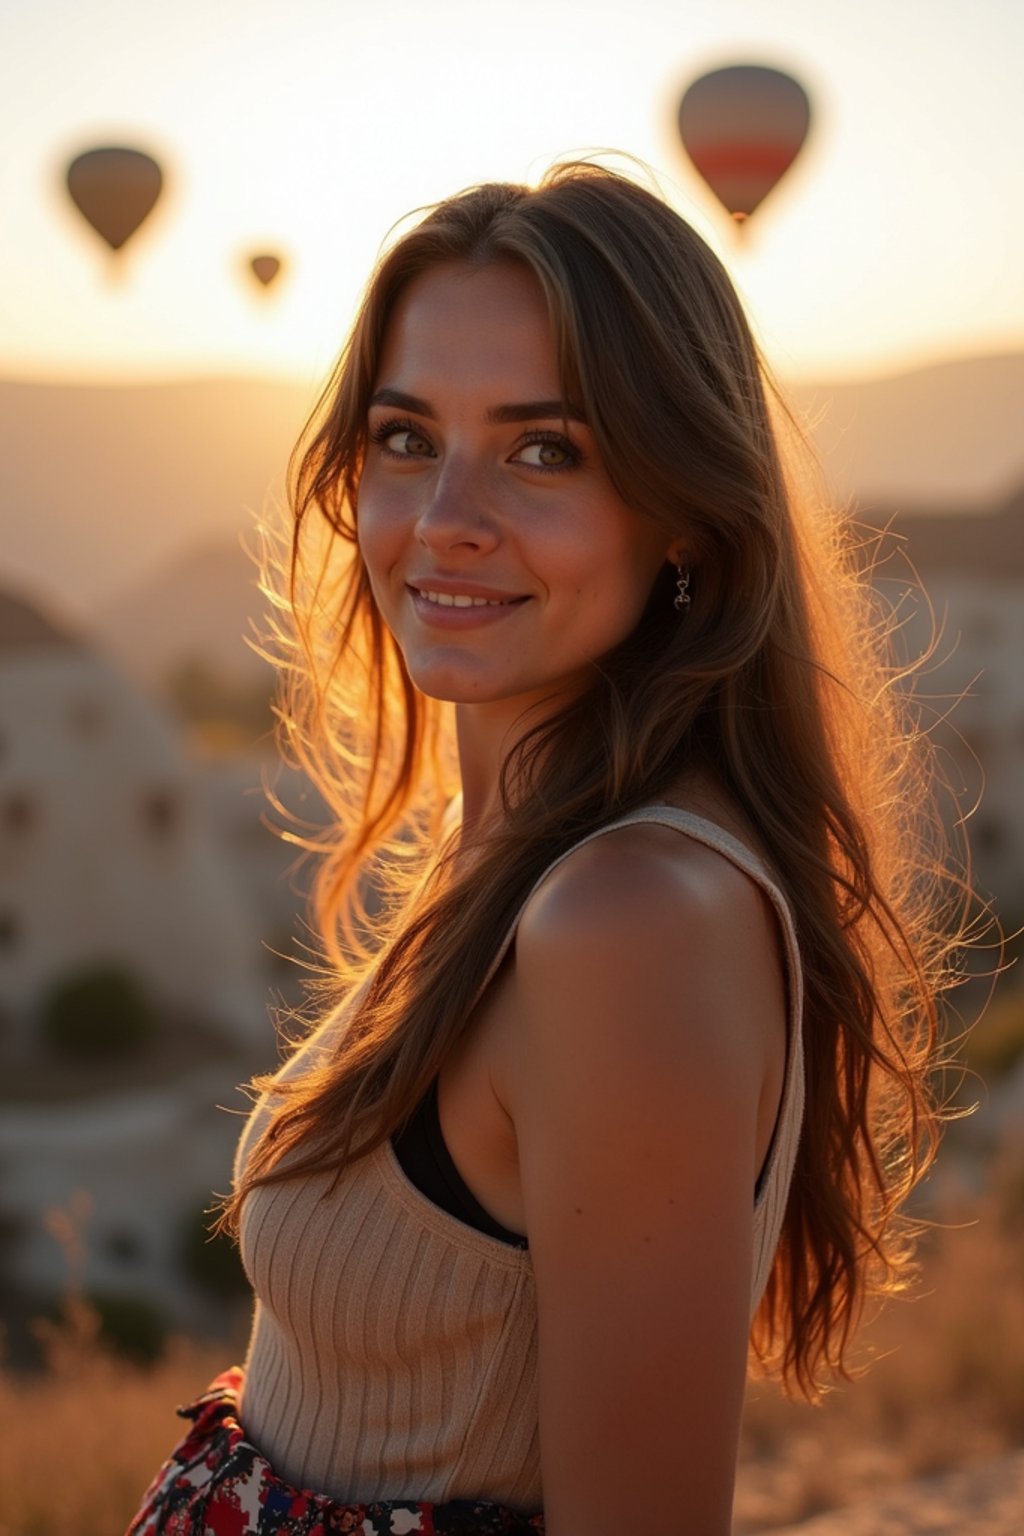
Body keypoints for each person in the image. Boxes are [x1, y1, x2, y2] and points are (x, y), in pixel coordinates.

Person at [127, 161, 960, 1536]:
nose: (445, 514)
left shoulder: (624, 920)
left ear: (683, 505)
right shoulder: (516, 847)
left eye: (544, 450)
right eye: (405, 437)